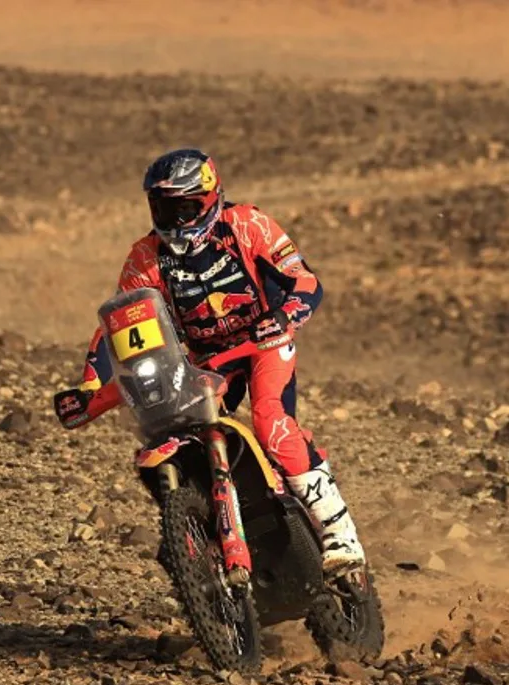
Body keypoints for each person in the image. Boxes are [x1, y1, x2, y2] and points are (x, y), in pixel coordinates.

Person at [55, 148, 365, 572]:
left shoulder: (248, 225)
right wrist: (91, 385)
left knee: (272, 423)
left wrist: (286, 313)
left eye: (187, 208)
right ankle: (201, 533)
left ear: (211, 198)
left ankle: (339, 537)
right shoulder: (145, 259)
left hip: (263, 344)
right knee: (178, 430)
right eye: (165, 209)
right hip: (206, 363)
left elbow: (305, 280)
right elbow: (119, 326)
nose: (177, 221)